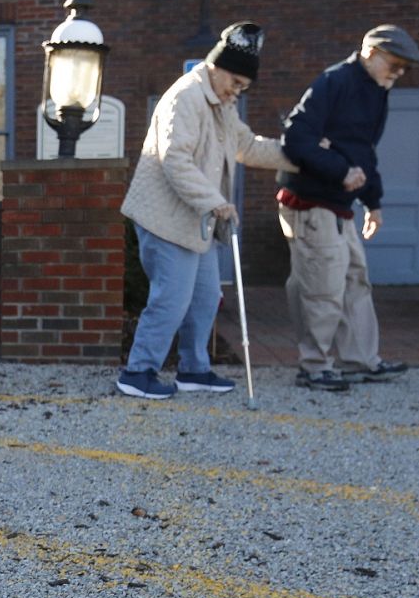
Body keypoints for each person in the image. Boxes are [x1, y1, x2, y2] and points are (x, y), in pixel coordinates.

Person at [116, 22, 295, 400]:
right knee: (171, 298)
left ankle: (194, 369)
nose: (236, 91)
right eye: (234, 81)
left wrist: (302, 156)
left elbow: (246, 146)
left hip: (197, 220)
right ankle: (138, 372)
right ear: (215, 66)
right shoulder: (185, 98)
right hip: (166, 218)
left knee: (206, 295)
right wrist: (214, 202)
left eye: (244, 87)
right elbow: (175, 159)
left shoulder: (222, 105)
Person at [277, 24, 419, 391]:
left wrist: (373, 202)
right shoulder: (334, 82)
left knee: (355, 281)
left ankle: (360, 360)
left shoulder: (376, 91)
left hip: (339, 206)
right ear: (371, 53)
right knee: (321, 286)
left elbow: (364, 151)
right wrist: (341, 172)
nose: (398, 74)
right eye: (394, 65)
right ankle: (314, 366)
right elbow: (295, 138)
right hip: (309, 202)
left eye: (404, 69)